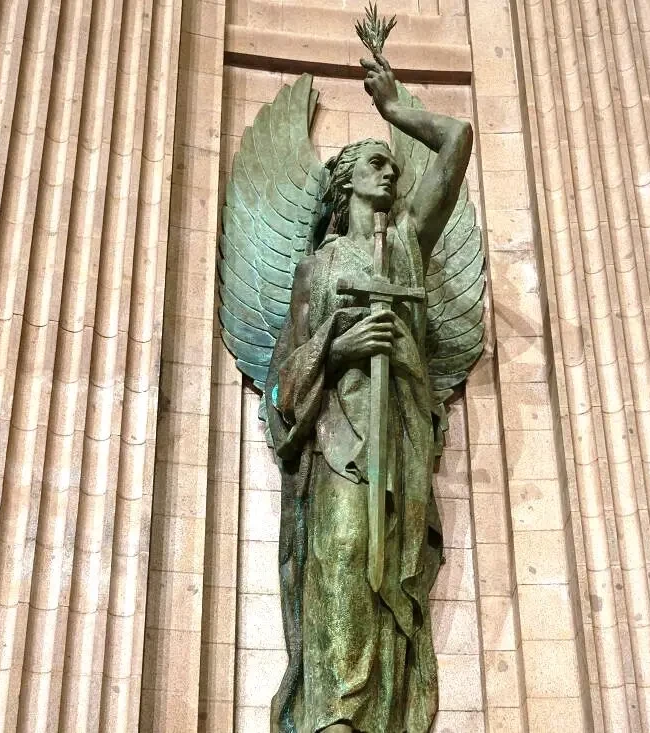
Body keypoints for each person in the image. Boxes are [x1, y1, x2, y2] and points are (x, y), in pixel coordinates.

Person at [265, 54, 473, 733]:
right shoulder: (317, 268)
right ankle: (336, 716)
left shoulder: (406, 244)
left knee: (389, 573)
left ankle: (382, 713)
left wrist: (395, 110)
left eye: (394, 165)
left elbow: (457, 140)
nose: (393, 172)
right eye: (378, 162)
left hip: (400, 437)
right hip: (339, 445)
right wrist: (337, 347)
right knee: (343, 558)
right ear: (346, 180)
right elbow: (282, 381)